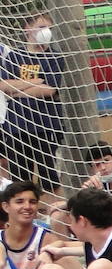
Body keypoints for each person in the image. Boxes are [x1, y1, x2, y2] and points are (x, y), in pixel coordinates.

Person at [0, 10, 65, 194]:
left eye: (49, 28)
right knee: (20, 180)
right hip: (16, 127)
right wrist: (34, 82)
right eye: (42, 27)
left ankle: (52, 215)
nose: (47, 32)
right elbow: (4, 86)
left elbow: (49, 89)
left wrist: (18, 89)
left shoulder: (54, 57)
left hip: (44, 125)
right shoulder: (14, 56)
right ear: (28, 29)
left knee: (49, 179)